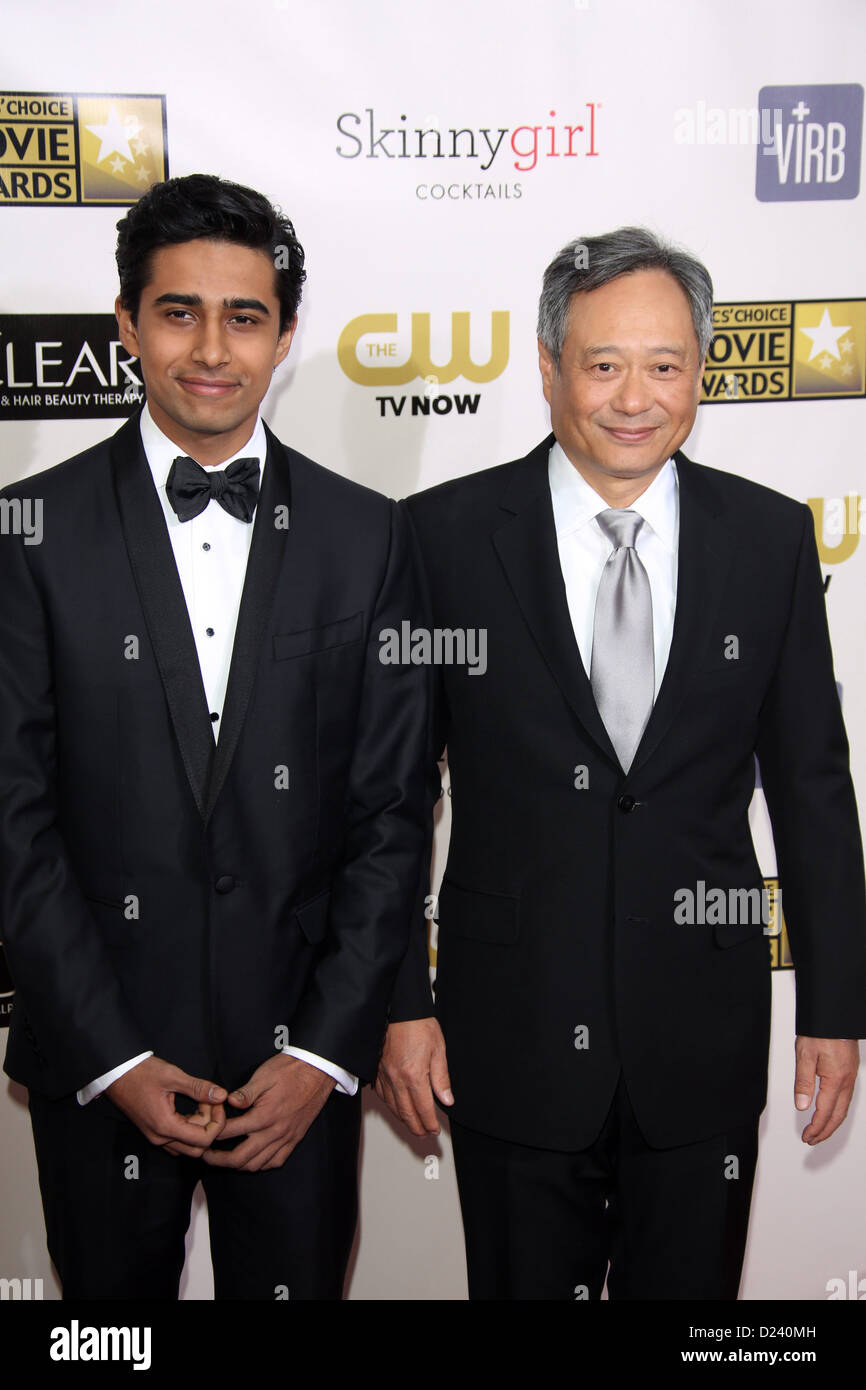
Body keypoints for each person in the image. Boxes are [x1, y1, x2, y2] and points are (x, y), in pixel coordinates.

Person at [377, 227, 866, 1300]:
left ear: (699, 370)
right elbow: (394, 798)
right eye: (601, 365)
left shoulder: (769, 538)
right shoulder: (442, 537)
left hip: (701, 1035)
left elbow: (812, 793)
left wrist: (834, 1006)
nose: (633, 397)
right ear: (548, 367)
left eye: (663, 364)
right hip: (505, 1033)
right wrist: (399, 998)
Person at [0, 173, 428, 1300]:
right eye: (178, 310)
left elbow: (388, 814)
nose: (210, 347)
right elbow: (13, 820)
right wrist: (117, 1061)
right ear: (126, 324)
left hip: (297, 1070)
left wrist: (324, 1053)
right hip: (101, 1063)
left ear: (285, 336)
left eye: (244, 316)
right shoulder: (30, 536)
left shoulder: (367, 538)